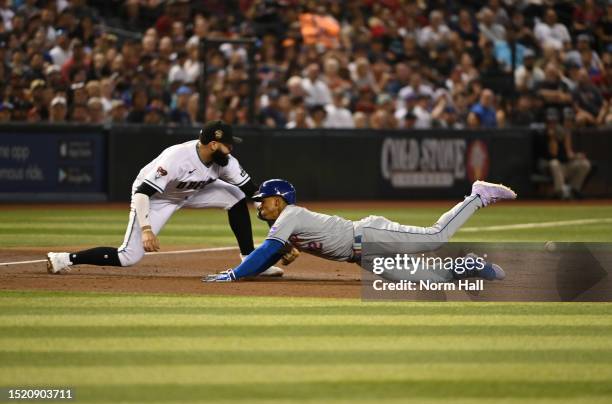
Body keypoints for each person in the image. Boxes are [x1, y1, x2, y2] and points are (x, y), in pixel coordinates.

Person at [46, 121, 283, 277]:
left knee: (236, 196)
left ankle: (249, 259)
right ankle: (63, 259)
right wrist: (147, 228)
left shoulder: (226, 162)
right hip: (157, 198)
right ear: (213, 144)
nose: (231, 149)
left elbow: (253, 192)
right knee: (127, 257)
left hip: (192, 191)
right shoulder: (177, 158)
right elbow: (142, 193)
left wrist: (280, 229)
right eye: (227, 145)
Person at [204, 179, 516, 282]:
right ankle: (469, 266)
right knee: (429, 281)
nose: (258, 205)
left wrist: (235, 274)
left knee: (436, 236)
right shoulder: (284, 222)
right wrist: (283, 261)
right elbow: (282, 253)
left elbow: (267, 251)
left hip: (369, 235)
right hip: (362, 256)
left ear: (279, 200)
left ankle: (479, 196)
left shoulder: (290, 215)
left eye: (263, 201)